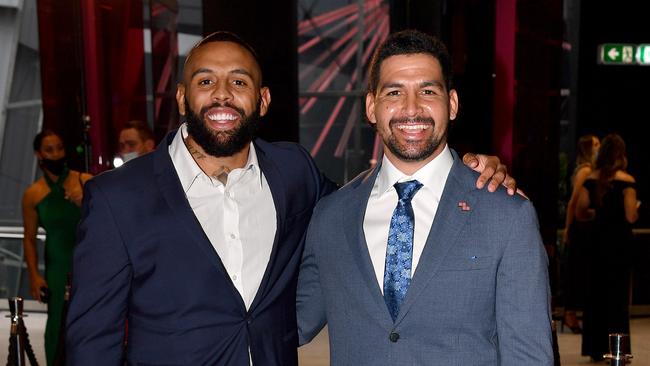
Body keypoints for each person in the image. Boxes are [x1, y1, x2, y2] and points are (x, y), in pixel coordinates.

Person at [66, 31, 516, 365]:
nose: (222, 94)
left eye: (238, 82)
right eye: (206, 81)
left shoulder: (292, 172)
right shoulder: (116, 198)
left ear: (262, 100)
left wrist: (467, 171)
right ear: (183, 96)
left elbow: (365, 208)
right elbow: (91, 341)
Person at [297, 29, 553, 365]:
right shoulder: (331, 216)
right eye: (394, 92)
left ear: (452, 104)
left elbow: (529, 356)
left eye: (427, 91)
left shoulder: (506, 214)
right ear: (372, 107)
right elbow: (285, 324)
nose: (411, 108)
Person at [21, 130, 92, 365]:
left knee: (91, 322)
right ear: (38, 154)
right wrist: (34, 276)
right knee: (56, 325)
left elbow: (108, 222)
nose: (56, 154)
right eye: (49, 150)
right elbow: (29, 238)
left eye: (60, 147)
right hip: (57, 266)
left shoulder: (86, 181)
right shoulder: (33, 195)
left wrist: (85, 202)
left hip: (89, 263)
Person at [576, 133, 639, 362]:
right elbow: (631, 216)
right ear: (621, 154)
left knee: (596, 295)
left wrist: (595, 214)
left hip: (597, 242)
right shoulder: (627, 181)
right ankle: (618, 348)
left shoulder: (591, 179)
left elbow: (580, 212)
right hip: (620, 245)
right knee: (618, 299)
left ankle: (594, 347)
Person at [561, 134, 600, 333]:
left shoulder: (587, 170)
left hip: (581, 228)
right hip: (580, 229)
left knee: (578, 270)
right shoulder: (585, 171)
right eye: (595, 144)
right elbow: (573, 203)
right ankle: (570, 314)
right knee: (576, 271)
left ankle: (572, 314)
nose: (598, 147)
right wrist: (568, 228)